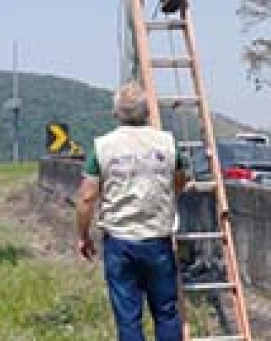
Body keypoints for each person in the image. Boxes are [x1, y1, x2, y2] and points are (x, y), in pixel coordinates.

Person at [76, 81, 189, 341]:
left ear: (116, 113)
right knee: (166, 314)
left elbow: (86, 197)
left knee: (128, 319)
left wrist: (83, 236)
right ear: (148, 111)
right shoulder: (168, 143)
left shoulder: (103, 147)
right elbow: (180, 181)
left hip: (120, 242)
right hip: (158, 239)